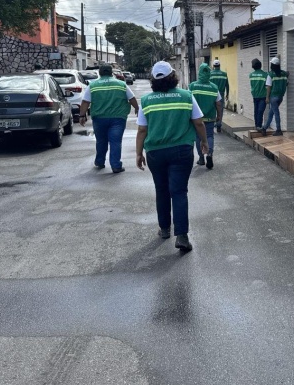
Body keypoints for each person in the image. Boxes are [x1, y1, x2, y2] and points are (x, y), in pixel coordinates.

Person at [136, 61, 209, 252]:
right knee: (178, 191)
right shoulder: (186, 96)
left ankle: (165, 229)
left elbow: (142, 130)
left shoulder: (146, 100)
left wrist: (138, 153)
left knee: (161, 190)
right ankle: (182, 236)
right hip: (181, 151)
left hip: (155, 153)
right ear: (173, 76)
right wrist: (204, 142)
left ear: (153, 80)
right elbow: (199, 123)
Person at [79, 64, 139, 174]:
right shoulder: (121, 84)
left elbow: (85, 101)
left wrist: (82, 115)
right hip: (118, 118)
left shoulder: (93, 85)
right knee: (115, 141)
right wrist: (137, 108)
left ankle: (100, 161)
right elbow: (131, 98)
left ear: (100, 73)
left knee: (101, 141)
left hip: (99, 118)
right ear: (112, 73)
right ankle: (116, 166)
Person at [188, 63, 223, 169]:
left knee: (198, 137)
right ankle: (209, 154)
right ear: (209, 74)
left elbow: (188, 101)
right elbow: (218, 103)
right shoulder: (214, 87)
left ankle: (201, 158)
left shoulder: (192, 86)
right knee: (209, 136)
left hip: (196, 118)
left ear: (199, 72)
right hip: (210, 117)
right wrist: (219, 116)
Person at [260, 56, 288, 136]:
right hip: (280, 97)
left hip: (273, 97)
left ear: (272, 65)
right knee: (271, 113)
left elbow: (268, 87)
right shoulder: (283, 74)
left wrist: (267, 97)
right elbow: (286, 82)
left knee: (276, 113)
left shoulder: (270, 75)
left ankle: (278, 130)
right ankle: (264, 128)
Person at [208, 59, 229, 133]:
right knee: (220, 109)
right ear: (219, 66)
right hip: (221, 92)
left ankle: (212, 123)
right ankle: (219, 125)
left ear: (213, 66)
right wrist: (227, 94)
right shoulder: (224, 74)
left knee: (213, 108)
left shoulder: (210, 74)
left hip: (212, 93)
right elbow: (227, 85)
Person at [248, 58, 267, 130]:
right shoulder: (265, 75)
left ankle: (257, 125)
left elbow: (252, 85)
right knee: (260, 111)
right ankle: (259, 126)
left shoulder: (251, 75)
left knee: (256, 111)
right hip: (263, 96)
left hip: (255, 96)